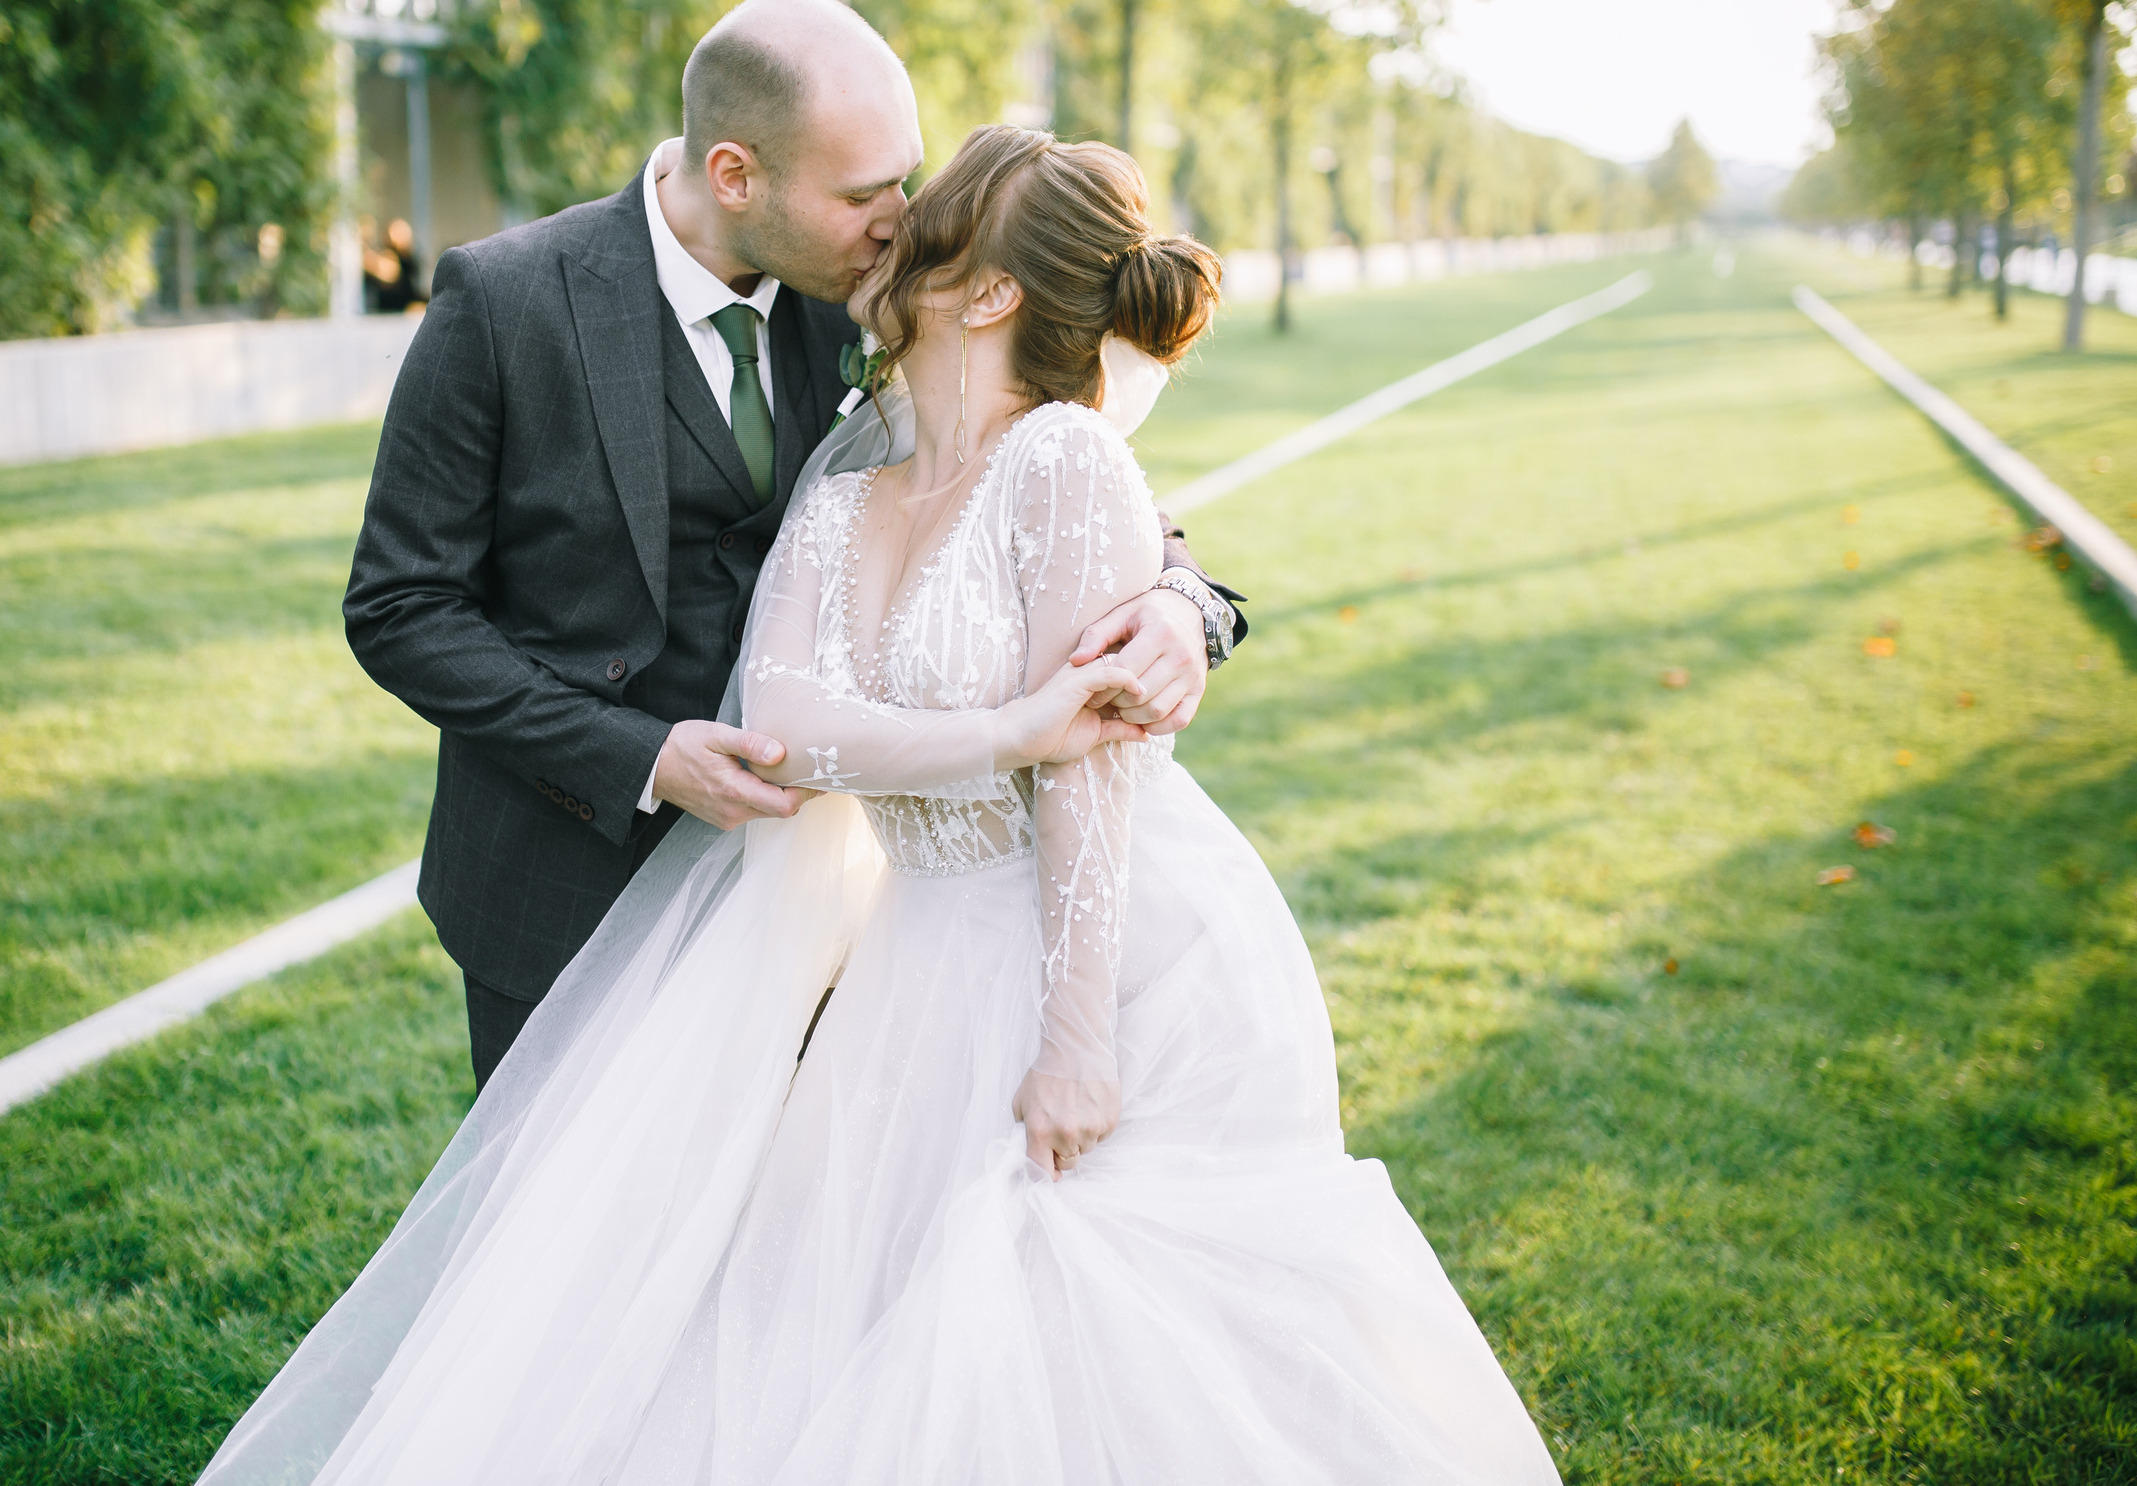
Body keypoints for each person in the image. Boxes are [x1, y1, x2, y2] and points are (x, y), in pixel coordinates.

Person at [200, 125, 1559, 1484]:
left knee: (1083, 1327)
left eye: (923, 210)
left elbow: (1086, 772)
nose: (892, 224)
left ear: (988, 289)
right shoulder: (851, 465)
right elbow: (792, 719)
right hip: (896, 942)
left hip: (1098, 948)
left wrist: (1080, 1021)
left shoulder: (1066, 460)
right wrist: (1008, 727)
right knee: (836, 1308)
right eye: (883, 202)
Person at [341, 0, 1243, 1088]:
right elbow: (400, 607)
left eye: (904, 179)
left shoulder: (873, 297)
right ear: (735, 174)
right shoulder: (506, 301)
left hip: (820, 896)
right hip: (559, 881)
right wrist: (640, 757)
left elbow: (1045, 469)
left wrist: (1184, 605)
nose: (900, 219)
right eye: (866, 193)